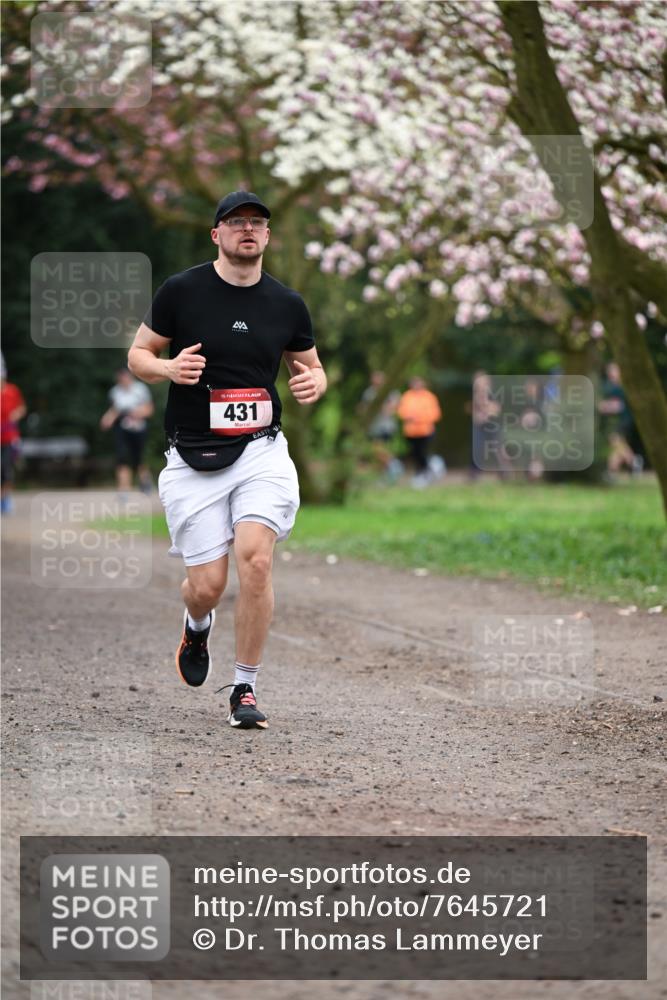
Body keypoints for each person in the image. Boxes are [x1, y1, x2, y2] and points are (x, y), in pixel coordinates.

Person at [127, 190, 326, 730]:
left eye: (257, 223)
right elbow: (138, 355)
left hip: (261, 449)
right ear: (216, 234)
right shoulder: (182, 291)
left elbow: (312, 365)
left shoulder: (287, 304)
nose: (248, 230)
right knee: (208, 584)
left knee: (256, 561)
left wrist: (314, 382)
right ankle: (196, 624)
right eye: (236, 222)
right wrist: (168, 370)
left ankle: (245, 687)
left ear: (267, 237)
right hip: (192, 457)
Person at [100, 366, 154, 494]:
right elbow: (115, 409)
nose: (123, 379)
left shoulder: (140, 389)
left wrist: (137, 413)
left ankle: (145, 482)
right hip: (122, 427)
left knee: (138, 458)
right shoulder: (115, 392)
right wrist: (107, 419)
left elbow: (149, 409)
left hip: (138, 427)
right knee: (122, 457)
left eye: (125, 376)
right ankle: (124, 488)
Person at [598, 361, 642, 477]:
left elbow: (618, 406)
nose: (612, 373)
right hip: (615, 420)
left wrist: (602, 406)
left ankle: (633, 460)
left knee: (615, 440)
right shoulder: (609, 385)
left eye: (615, 370)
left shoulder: (622, 386)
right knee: (617, 445)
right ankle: (612, 470)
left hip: (624, 419)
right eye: (610, 370)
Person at [397, 376, 442, 486]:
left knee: (422, 452)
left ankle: (424, 472)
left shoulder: (429, 397)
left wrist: (418, 418)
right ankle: (425, 471)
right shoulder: (407, 396)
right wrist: (409, 417)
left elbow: (435, 414)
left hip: (425, 431)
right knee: (414, 453)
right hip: (411, 432)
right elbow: (401, 411)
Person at [360, 371, 402, 481]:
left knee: (378, 449)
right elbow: (364, 408)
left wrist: (380, 408)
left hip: (386, 426)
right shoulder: (369, 392)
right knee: (376, 451)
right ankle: (385, 474)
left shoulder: (391, 392)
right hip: (373, 427)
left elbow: (394, 408)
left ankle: (394, 466)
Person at [0, 356, 27, 515]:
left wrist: (16, 414)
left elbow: (22, 408)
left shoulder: (12, 390)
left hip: (9, 436)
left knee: (6, 468)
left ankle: (6, 498)